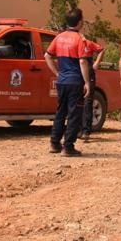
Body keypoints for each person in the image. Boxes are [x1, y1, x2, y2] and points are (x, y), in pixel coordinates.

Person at [44, 8, 91, 156]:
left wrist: (57, 73)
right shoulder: (80, 39)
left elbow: (47, 56)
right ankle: (68, 147)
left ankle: (54, 143)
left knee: (60, 112)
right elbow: (83, 62)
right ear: (80, 22)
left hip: (62, 81)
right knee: (74, 114)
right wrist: (87, 82)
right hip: (75, 81)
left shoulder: (59, 37)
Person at [79, 38, 105, 142]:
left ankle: (86, 131)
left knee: (88, 101)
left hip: (88, 71)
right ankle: (77, 129)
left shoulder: (87, 43)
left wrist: (97, 63)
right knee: (77, 101)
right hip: (76, 71)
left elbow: (101, 49)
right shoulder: (71, 42)